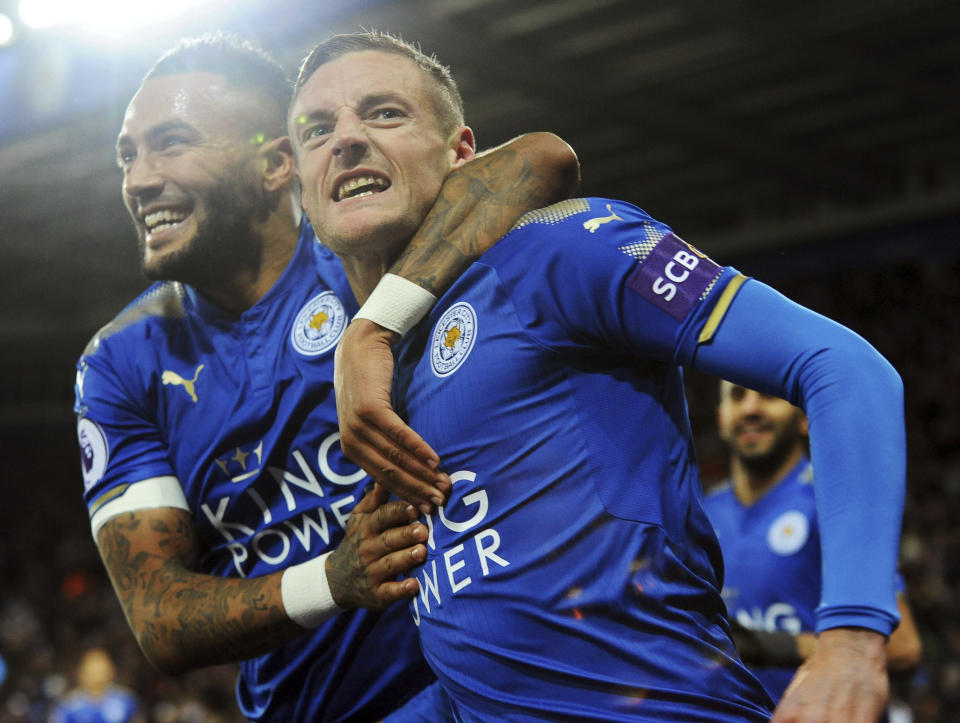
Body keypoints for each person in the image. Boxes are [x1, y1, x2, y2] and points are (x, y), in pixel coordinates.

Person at [291, 31, 907, 722]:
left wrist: (852, 636)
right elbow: (491, 663)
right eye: (318, 129)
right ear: (302, 197)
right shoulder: (376, 381)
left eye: (383, 113)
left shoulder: (568, 244)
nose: (345, 138)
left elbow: (843, 366)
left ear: (464, 155)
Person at [73, 33, 578, 722]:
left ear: (276, 163)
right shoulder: (119, 362)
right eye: (129, 154)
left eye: (172, 144)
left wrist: (372, 327)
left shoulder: (367, 241)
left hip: (491, 689)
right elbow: (159, 616)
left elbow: (539, 160)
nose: (138, 179)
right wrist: (336, 580)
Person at [704, 381, 922, 704]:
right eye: (738, 396)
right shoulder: (704, 510)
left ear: (805, 419)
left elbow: (903, 647)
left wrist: (772, 646)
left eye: (767, 395)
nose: (751, 409)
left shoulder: (836, 506)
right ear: (722, 418)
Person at [50, 648, 143, 723]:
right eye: (92, 667)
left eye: (101, 666)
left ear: (111, 671)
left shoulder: (126, 700)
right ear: (81, 672)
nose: (97, 672)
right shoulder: (68, 705)